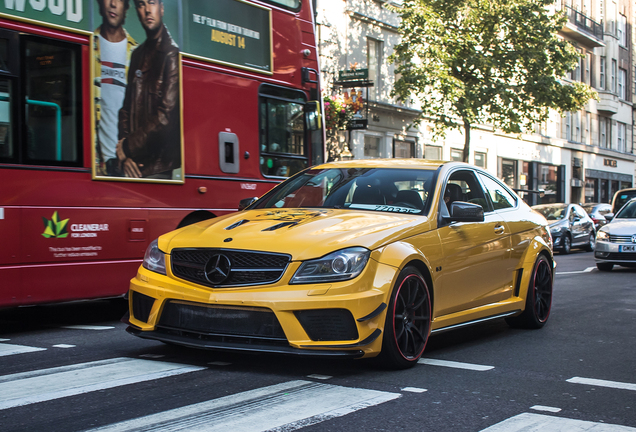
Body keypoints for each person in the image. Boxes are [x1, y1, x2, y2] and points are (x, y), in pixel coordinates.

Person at [116, 0, 181, 179]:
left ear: (161, 8)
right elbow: (126, 109)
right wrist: (125, 154)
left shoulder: (172, 55)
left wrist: (127, 147)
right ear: (136, 11)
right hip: (132, 164)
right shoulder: (137, 54)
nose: (147, 10)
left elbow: (165, 117)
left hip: (157, 167)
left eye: (151, 3)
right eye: (141, 4)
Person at [94, 0, 137, 176]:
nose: (113, 4)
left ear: (126, 7)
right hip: (96, 165)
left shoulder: (137, 54)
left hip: (128, 164)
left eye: (119, 0)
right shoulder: (89, 45)